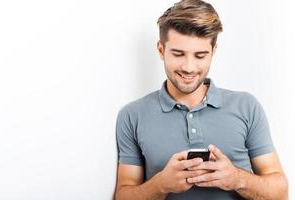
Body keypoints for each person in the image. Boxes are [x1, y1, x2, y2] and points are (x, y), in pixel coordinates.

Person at [114, 0, 288, 199]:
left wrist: (237, 179)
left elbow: (280, 192)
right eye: (178, 54)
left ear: (213, 52)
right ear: (161, 50)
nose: (189, 67)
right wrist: (161, 184)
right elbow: (123, 194)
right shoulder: (132, 115)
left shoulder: (247, 106)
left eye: (200, 55)